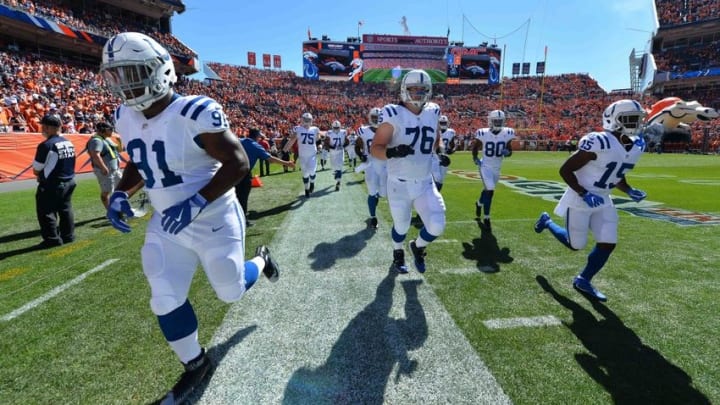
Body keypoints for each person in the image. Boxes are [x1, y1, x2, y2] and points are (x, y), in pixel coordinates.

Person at [99, 32, 281, 404]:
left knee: (229, 291)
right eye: (119, 74)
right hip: (167, 221)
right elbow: (140, 159)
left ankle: (260, 260)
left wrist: (196, 201)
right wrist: (121, 191)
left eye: (135, 72)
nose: (128, 83)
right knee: (163, 295)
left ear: (162, 69)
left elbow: (239, 162)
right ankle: (195, 363)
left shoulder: (194, 111)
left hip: (214, 216)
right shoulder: (124, 116)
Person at [534, 99, 648, 302]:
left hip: (604, 199)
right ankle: (547, 222)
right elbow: (566, 170)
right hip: (580, 198)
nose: (636, 124)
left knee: (608, 243)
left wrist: (629, 190)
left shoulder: (637, 145)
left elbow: (615, 173)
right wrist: (583, 193)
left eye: (638, 120)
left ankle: (583, 279)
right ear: (613, 120)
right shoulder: (598, 141)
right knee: (575, 245)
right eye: (630, 119)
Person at [370, 69, 446, 274]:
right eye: (414, 89)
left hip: (424, 182)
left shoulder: (433, 111)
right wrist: (393, 151)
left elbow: (436, 136)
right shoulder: (393, 113)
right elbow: (375, 148)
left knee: (437, 225)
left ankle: (418, 246)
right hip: (399, 184)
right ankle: (397, 251)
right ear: (404, 89)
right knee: (401, 227)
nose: (419, 94)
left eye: (423, 90)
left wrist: (440, 151)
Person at [235, 128, 295, 226]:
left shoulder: (239, 141)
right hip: (243, 174)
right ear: (257, 136)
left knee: (233, 197)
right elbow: (270, 159)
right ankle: (243, 220)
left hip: (230, 173)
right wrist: (287, 163)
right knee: (242, 198)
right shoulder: (256, 146)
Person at [32, 113, 76, 247]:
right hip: (69, 180)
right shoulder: (68, 142)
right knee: (66, 209)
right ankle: (68, 236)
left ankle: (52, 239)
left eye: (43, 126)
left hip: (53, 183)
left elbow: (36, 169)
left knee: (46, 211)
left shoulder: (46, 145)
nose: (42, 129)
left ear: (48, 127)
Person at [471, 109, 515, 230]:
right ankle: (487, 217)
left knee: (488, 191)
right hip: (485, 166)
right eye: (496, 120)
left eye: (500, 121)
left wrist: (508, 153)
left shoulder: (507, 133)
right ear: (490, 121)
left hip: (497, 167)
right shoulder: (483, 133)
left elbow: (510, 150)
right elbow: (475, 147)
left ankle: (479, 203)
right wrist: (475, 158)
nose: (498, 123)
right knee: (490, 190)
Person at [355, 107, 387, 229]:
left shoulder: (388, 131)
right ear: (370, 117)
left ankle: (375, 199)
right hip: (371, 165)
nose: (376, 119)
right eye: (374, 117)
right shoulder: (363, 131)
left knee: (383, 193)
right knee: (372, 192)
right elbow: (357, 146)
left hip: (385, 165)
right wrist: (360, 155)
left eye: (378, 117)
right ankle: (373, 217)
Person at [87, 121, 122, 209]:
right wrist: (103, 167)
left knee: (120, 188)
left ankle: (118, 207)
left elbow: (119, 150)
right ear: (103, 130)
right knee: (107, 191)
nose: (112, 131)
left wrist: (120, 141)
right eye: (110, 129)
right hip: (106, 170)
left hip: (114, 169)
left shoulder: (106, 139)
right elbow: (95, 155)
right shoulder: (96, 140)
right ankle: (110, 210)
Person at [284, 112, 320, 197]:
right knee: (305, 173)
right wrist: (284, 150)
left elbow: (318, 140)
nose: (307, 121)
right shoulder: (298, 129)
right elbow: (291, 140)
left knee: (312, 171)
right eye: (306, 120)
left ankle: (312, 183)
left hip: (312, 154)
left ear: (311, 121)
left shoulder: (315, 129)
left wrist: (320, 145)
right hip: (302, 156)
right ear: (302, 120)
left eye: (308, 120)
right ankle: (306, 189)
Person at [431, 114, 457, 191]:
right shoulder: (433, 131)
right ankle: (433, 195)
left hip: (444, 158)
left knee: (440, 180)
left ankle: (436, 194)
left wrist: (452, 150)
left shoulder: (451, 132)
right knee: (437, 177)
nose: (443, 124)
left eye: (444, 123)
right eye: (441, 123)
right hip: (434, 156)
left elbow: (454, 144)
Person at [324, 120, 348, 191]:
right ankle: (336, 174)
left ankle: (338, 182)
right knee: (334, 167)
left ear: (340, 127)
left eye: (337, 127)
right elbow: (326, 143)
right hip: (332, 153)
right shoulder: (329, 133)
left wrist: (343, 146)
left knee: (340, 166)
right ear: (332, 127)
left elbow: (347, 141)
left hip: (340, 152)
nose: (336, 129)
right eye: (335, 127)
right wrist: (332, 147)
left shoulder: (343, 132)